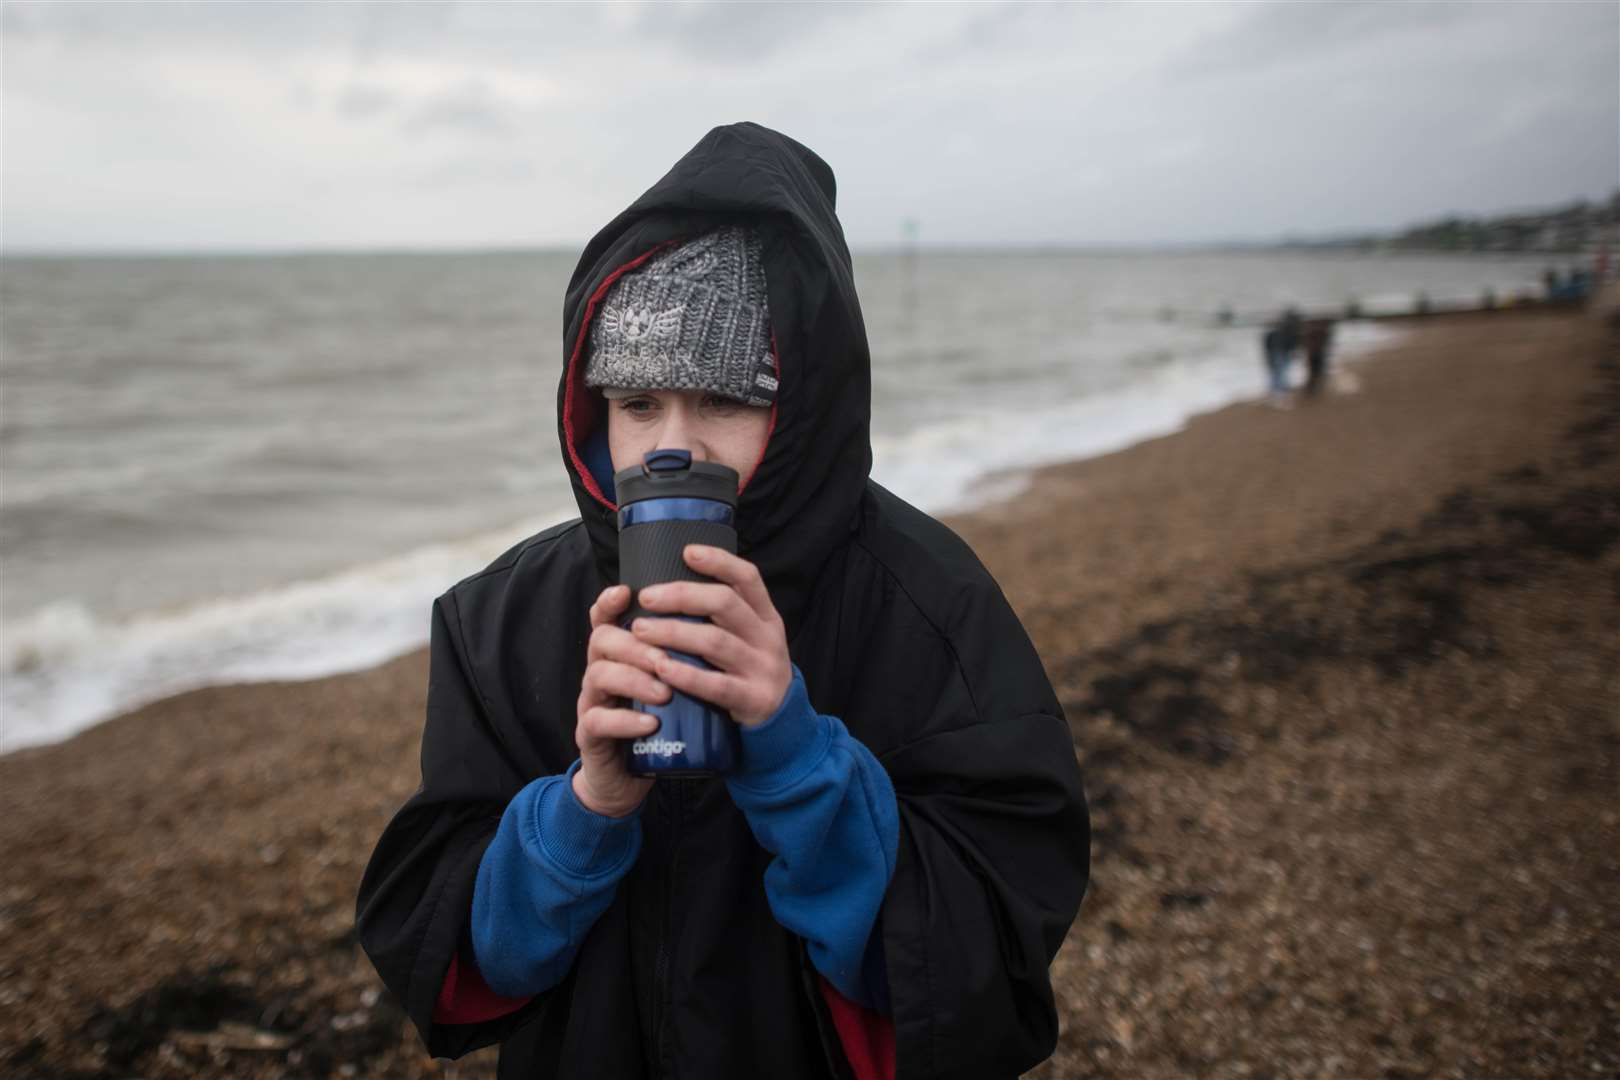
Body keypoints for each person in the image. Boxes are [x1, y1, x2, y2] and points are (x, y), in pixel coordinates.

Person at [355, 122, 1089, 1079]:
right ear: (591, 413)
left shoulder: (931, 604)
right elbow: (440, 959)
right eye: (638, 403)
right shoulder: (498, 620)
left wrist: (797, 758)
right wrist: (587, 807)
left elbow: (984, 975)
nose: (673, 446)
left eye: (727, 401)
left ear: (806, 403)